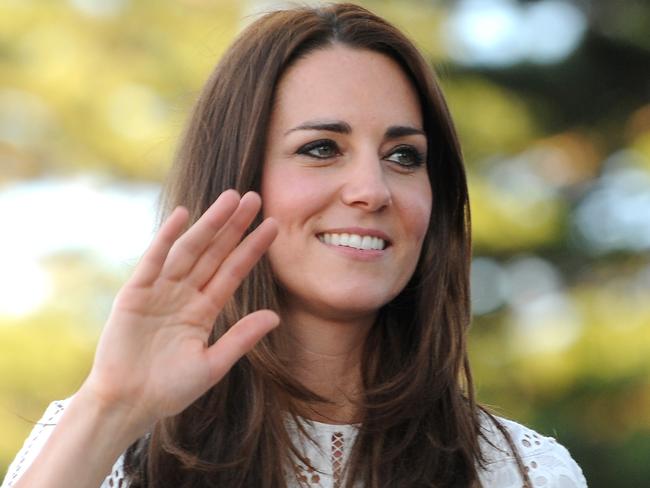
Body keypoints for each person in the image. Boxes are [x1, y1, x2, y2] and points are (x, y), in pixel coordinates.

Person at [2, 3, 587, 488]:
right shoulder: (106, 447)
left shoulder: (524, 472)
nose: (372, 189)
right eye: (322, 148)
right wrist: (113, 407)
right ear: (238, 178)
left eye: (403, 156)